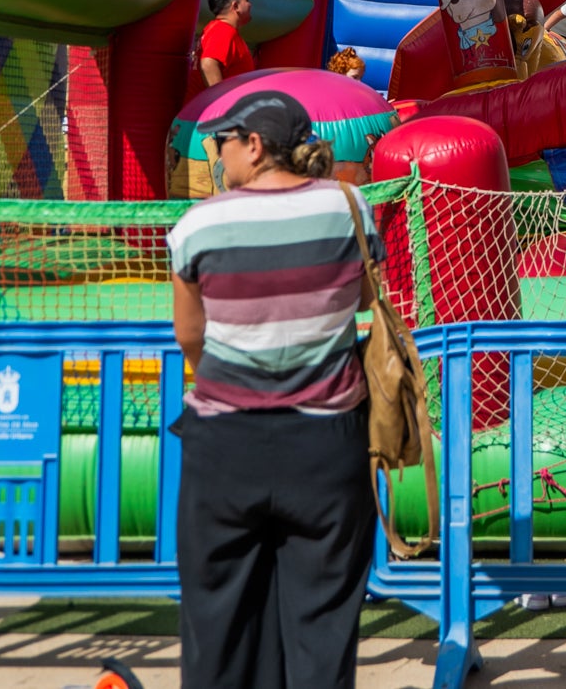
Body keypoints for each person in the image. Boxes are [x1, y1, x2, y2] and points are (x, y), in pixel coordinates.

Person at [169, 90, 380, 689]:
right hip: (327, 446)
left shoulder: (199, 223)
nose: (218, 155)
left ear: (255, 146)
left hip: (225, 446)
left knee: (220, 625)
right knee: (322, 625)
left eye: (222, 143)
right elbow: (363, 300)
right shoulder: (350, 207)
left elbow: (191, 338)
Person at [197, 0, 256, 89]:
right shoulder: (223, 30)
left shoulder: (218, 29)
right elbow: (208, 64)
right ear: (236, 6)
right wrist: (221, 101)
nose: (250, 4)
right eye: (246, 0)